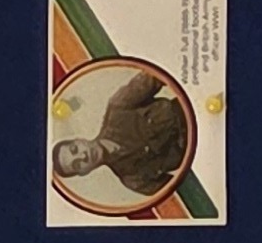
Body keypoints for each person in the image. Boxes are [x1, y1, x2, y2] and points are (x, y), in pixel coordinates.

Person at [53, 68, 190, 203]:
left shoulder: (118, 107)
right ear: (85, 172)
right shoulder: (134, 180)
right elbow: (184, 189)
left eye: (74, 149)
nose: (83, 156)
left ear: (79, 140)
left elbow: (156, 74)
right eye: (78, 164)